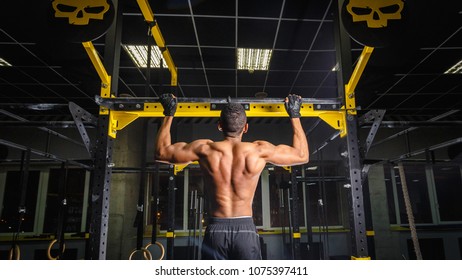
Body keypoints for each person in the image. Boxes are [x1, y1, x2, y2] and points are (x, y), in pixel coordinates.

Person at [155, 94, 309, 260]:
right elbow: (302, 156)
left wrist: (169, 113)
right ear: (245, 128)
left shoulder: (205, 149)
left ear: (220, 126)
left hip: (216, 229)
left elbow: (161, 153)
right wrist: (295, 115)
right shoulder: (258, 151)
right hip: (245, 230)